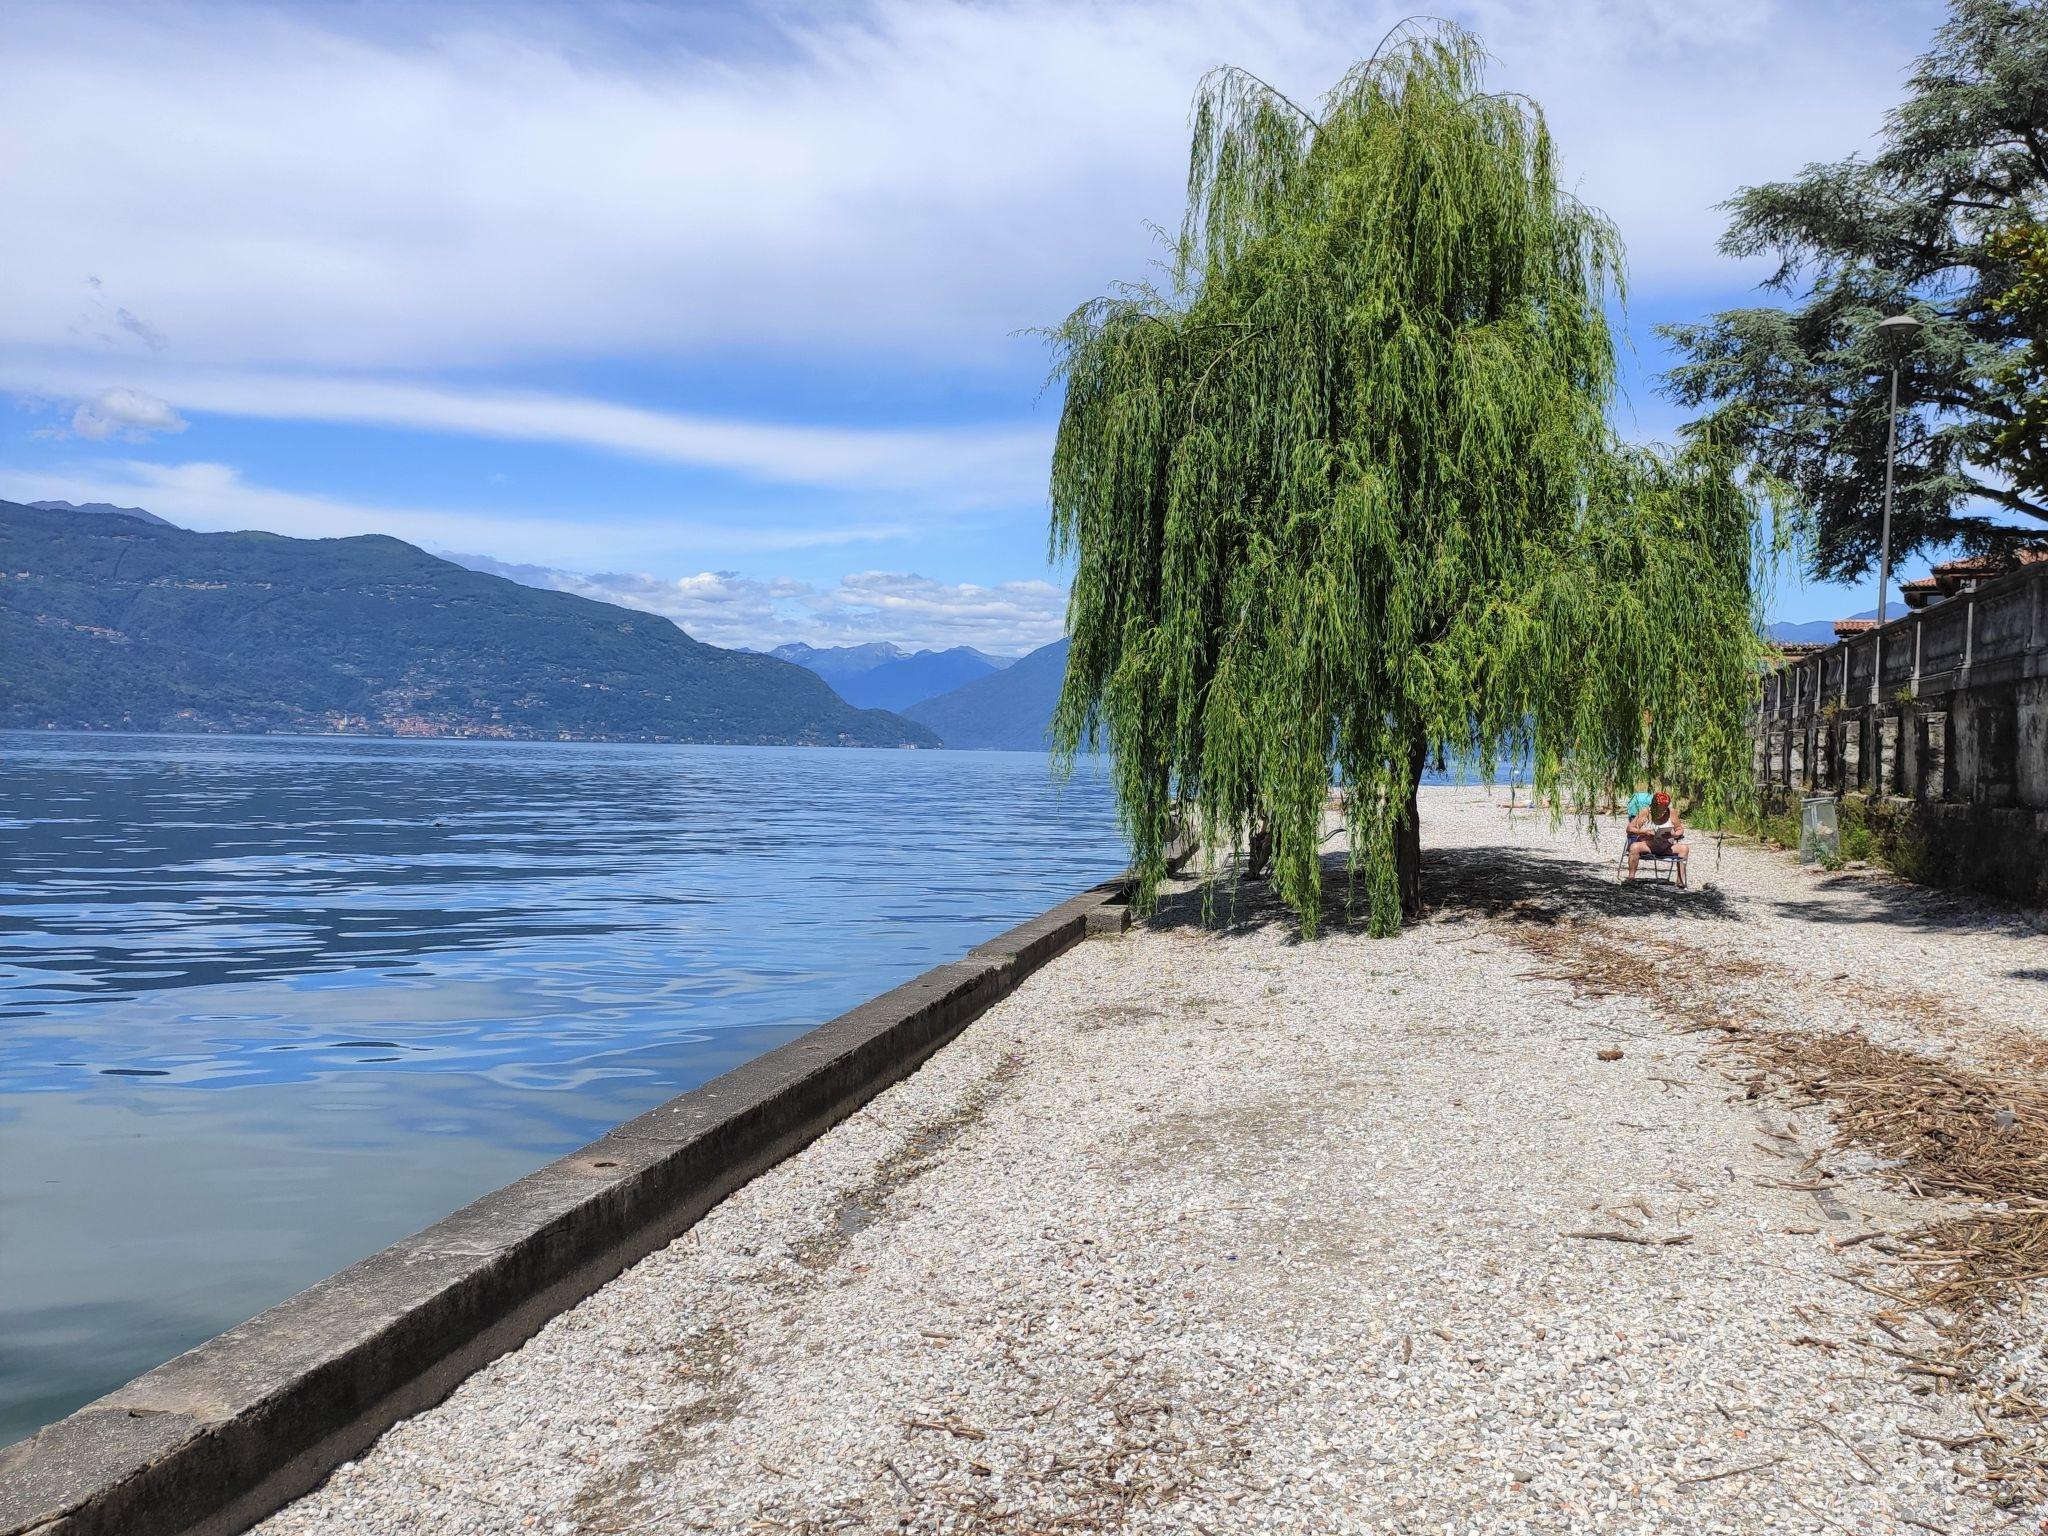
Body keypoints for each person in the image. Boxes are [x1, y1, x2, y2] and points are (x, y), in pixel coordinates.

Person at [1626, 790, 1689, 888]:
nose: (1663, 811)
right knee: (1634, 847)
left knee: (1684, 848)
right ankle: (1631, 878)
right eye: (1660, 809)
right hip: (1648, 846)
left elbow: (1680, 829)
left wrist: (1674, 834)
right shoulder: (1646, 812)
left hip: (1666, 846)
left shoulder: (1671, 812)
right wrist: (1644, 832)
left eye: (1665, 809)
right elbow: (1629, 828)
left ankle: (1680, 881)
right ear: (1654, 806)